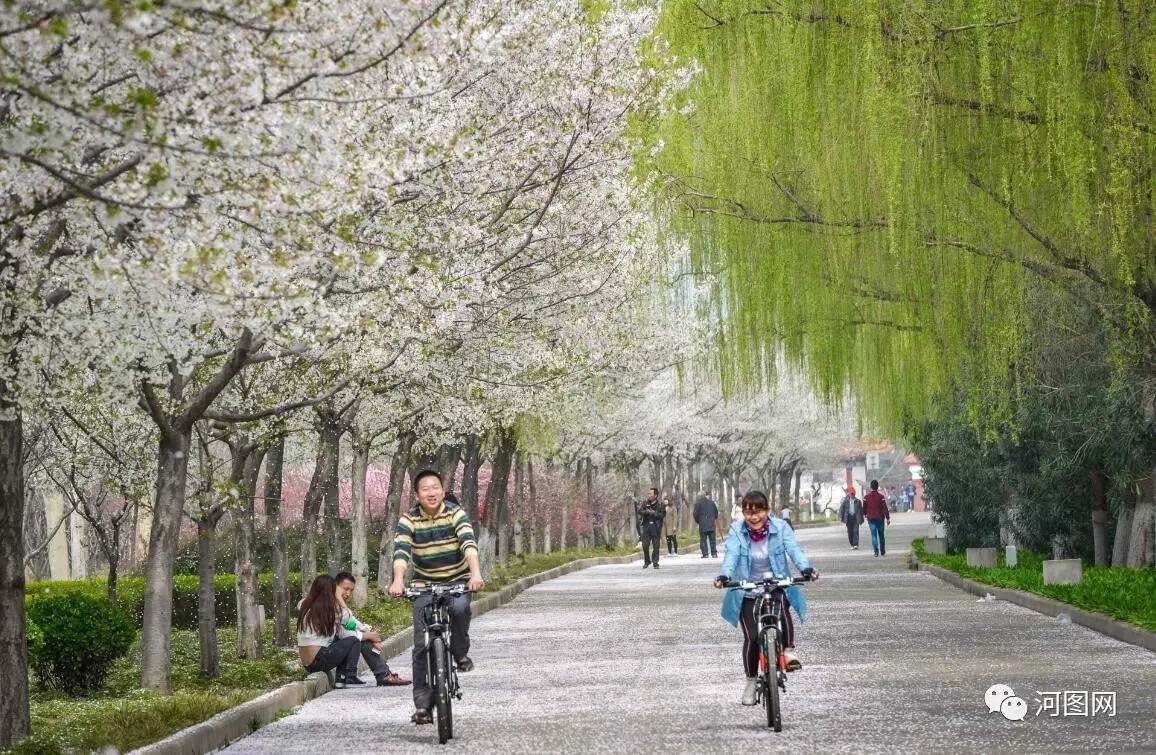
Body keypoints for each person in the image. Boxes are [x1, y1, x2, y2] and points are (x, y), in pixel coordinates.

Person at [389, 469, 485, 725]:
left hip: (457, 580)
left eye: (435, 487)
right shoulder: (408, 519)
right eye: (425, 489)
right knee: (421, 645)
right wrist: (399, 580)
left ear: (443, 491)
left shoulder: (455, 513)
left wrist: (475, 574)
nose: (431, 492)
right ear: (417, 495)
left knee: (461, 609)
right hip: (424, 584)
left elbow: (468, 543)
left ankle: (460, 652)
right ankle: (422, 706)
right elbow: (401, 551)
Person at [713, 491, 818, 706]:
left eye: (758, 511)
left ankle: (788, 651)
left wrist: (806, 568)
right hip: (747, 589)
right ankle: (751, 681)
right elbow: (731, 556)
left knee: (782, 607)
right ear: (743, 514)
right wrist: (724, 576)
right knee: (752, 638)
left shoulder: (781, 528)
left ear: (767, 510)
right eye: (749, 512)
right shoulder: (737, 531)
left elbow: (794, 550)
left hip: (775, 583)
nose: (754, 517)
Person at [333, 571, 410, 686]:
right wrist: (368, 636)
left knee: (366, 637)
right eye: (345, 589)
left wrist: (369, 633)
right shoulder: (330, 604)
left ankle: (382, 674)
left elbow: (351, 622)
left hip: (334, 646)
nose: (348, 593)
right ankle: (383, 674)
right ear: (335, 587)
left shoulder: (337, 605)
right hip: (325, 652)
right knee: (364, 639)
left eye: (351, 590)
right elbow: (343, 632)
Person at [297, 574, 362, 688]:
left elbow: (304, 602)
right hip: (319, 659)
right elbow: (349, 617)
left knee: (339, 639)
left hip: (307, 663)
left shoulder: (304, 605)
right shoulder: (331, 609)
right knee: (353, 640)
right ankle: (350, 675)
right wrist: (339, 597)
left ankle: (340, 681)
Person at [637, 488, 664, 569]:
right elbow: (640, 511)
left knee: (656, 546)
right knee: (645, 545)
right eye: (648, 494)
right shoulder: (645, 503)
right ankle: (647, 561)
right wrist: (646, 512)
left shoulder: (660, 505)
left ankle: (655, 562)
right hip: (646, 526)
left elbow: (662, 515)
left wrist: (654, 513)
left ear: (655, 495)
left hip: (656, 526)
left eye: (650, 494)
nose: (649, 495)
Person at [863, 479, 891, 556]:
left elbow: (864, 508)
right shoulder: (881, 497)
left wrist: (865, 514)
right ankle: (882, 551)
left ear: (870, 487)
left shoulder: (866, 497)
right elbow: (885, 508)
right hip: (880, 518)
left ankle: (876, 552)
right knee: (881, 534)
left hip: (871, 518)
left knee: (873, 535)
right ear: (877, 487)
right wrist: (888, 518)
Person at [692, 491, 720, 558]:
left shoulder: (698, 504)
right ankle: (714, 553)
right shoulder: (712, 503)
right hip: (711, 524)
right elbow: (716, 513)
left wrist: (698, 521)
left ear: (699, 496)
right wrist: (713, 518)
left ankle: (705, 554)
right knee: (712, 540)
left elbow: (695, 514)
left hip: (702, 524)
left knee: (703, 540)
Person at [838, 486, 863, 550]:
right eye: (851, 493)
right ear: (849, 494)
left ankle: (856, 544)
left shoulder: (858, 501)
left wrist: (862, 519)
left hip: (855, 518)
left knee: (856, 531)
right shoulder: (846, 501)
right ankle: (852, 544)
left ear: (854, 494)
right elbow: (841, 509)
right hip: (848, 518)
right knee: (850, 532)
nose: (852, 495)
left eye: (853, 494)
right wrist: (840, 516)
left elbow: (861, 511)